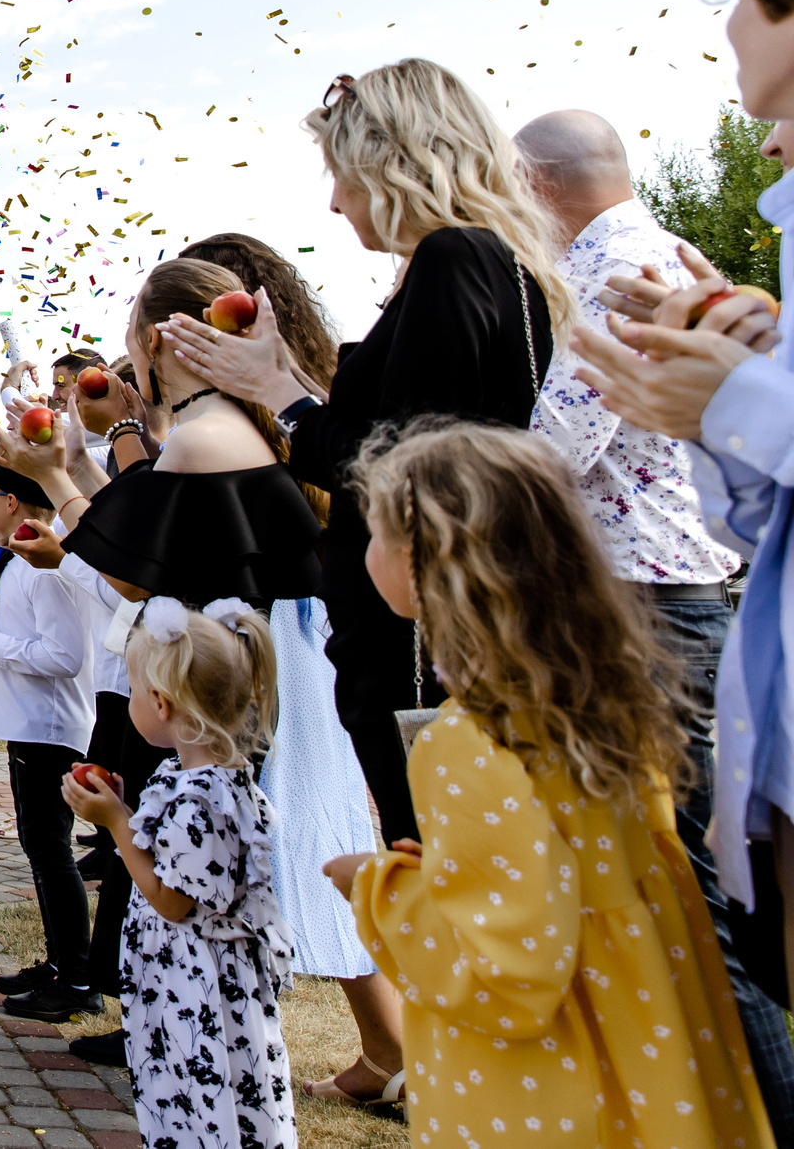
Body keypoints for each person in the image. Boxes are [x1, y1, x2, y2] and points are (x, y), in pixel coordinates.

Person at [331, 420, 773, 1148]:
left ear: (422, 561)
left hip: (547, 1091)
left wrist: (380, 890)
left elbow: (508, 973)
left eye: (373, 532)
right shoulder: (605, 709)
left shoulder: (467, 743)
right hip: (650, 1057)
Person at [162, 59, 565, 847]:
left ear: (391, 163)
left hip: (416, 646)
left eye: (342, 174)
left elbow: (396, 470)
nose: (336, 200)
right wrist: (284, 379)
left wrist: (287, 399)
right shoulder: (502, 267)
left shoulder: (451, 262)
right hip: (450, 626)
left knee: (442, 865)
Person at [516, 108, 794, 1131]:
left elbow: (558, 448)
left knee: (700, 893)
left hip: (646, 599)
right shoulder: (650, 251)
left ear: (537, 187)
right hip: (669, 587)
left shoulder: (607, 271)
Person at [0, 260, 321, 1073]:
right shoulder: (225, 426)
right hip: (212, 691)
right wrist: (78, 464)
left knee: (178, 894)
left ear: (158, 339)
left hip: (194, 702)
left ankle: (191, 1067)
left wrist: (54, 474)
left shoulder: (205, 436)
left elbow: (134, 567)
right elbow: (138, 517)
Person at [570, 0, 794, 1010]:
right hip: (762, 690)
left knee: (697, 910)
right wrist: (714, 395)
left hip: (662, 603)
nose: (726, 34)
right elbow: (755, 517)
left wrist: (742, 398)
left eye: (744, 0)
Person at [176, 232, 408, 1112]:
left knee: (306, 835)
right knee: (313, 830)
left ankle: (375, 1049)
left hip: (288, 623)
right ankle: (386, 1049)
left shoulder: (257, 399)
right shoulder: (293, 383)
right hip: (302, 621)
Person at [61, 598, 296, 1149]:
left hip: (198, 988)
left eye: (136, 690)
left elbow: (173, 900)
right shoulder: (201, 778)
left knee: (200, 1102)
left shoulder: (203, 798)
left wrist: (116, 823)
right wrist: (126, 814)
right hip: (190, 982)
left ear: (161, 703)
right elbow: (171, 859)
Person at [0, 465, 95, 1021]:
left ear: (12, 502)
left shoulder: (42, 568)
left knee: (52, 851)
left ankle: (76, 977)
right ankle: (59, 963)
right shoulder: (22, 556)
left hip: (49, 727)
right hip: (28, 721)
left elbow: (64, 656)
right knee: (40, 847)